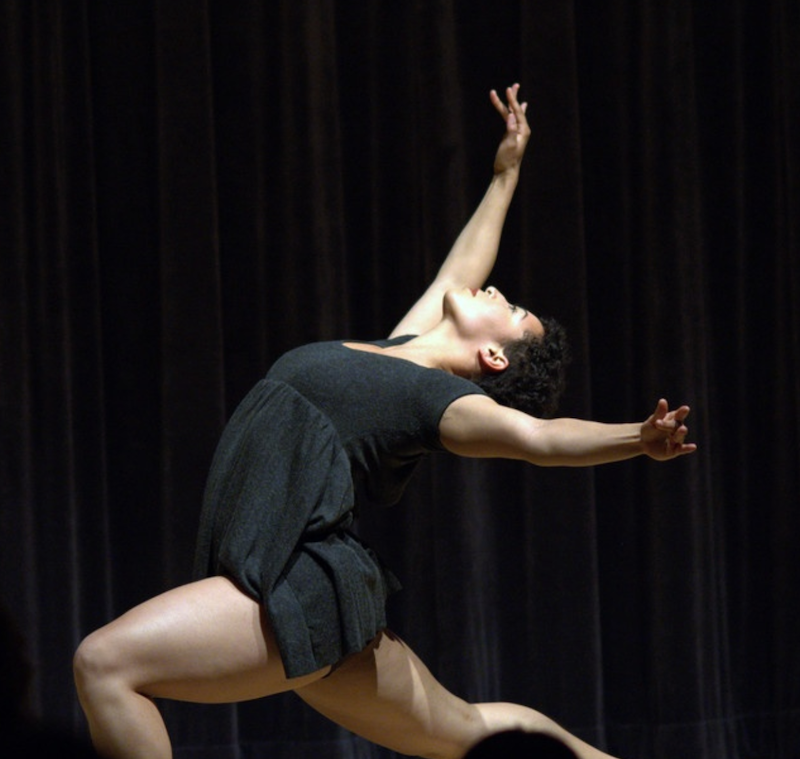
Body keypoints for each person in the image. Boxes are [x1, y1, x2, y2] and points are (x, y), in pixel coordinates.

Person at [73, 84, 696, 759]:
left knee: (106, 664)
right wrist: (506, 172)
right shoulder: (400, 352)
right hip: (311, 594)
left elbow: (540, 439)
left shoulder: (438, 401)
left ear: (492, 355)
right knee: (469, 730)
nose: (498, 291)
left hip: (296, 585)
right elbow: (461, 266)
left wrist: (636, 437)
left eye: (513, 311)